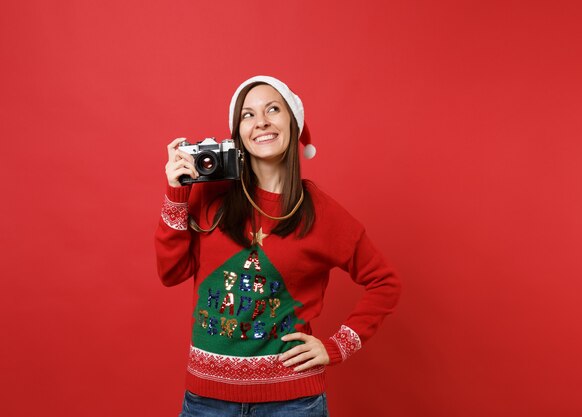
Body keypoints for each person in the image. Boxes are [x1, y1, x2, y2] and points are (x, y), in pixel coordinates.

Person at [155, 75, 401, 416]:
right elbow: (171, 272)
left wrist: (337, 346)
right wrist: (176, 193)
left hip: (292, 403)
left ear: (293, 123)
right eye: (248, 115)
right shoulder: (212, 195)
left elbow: (385, 282)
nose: (262, 122)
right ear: (238, 133)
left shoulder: (321, 212)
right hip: (205, 402)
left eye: (273, 109)